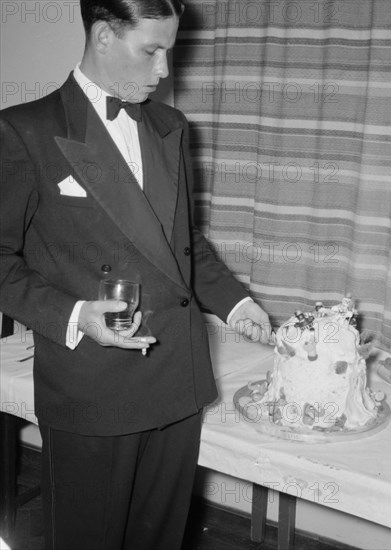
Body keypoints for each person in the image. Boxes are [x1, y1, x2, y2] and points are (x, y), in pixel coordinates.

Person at [0, 1, 273, 548]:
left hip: (176, 378)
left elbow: (183, 246)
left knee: (160, 539)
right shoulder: (24, 130)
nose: (165, 71)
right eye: (151, 51)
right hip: (91, 386)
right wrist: (75, 314)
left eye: (169, 52)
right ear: (103, 36)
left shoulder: (171, 126)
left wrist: (239, 305)